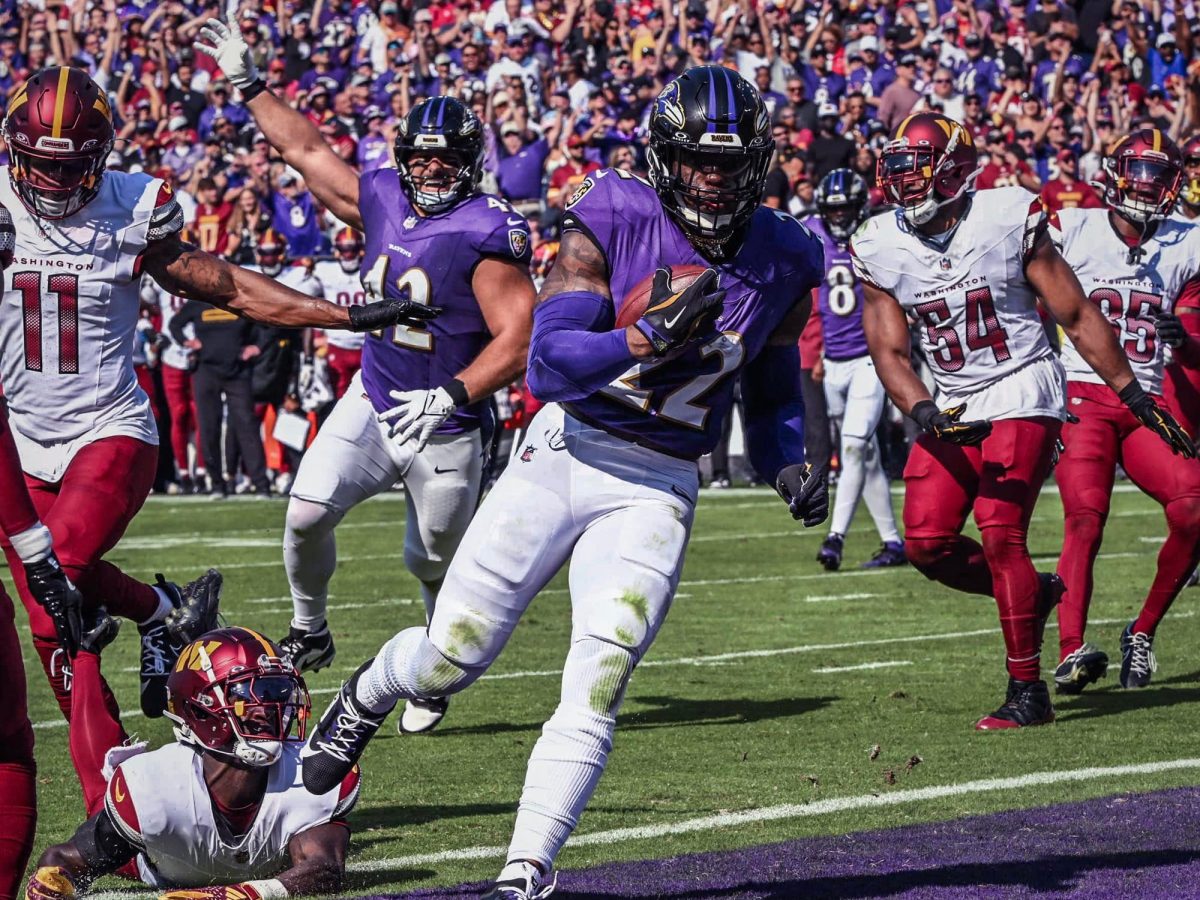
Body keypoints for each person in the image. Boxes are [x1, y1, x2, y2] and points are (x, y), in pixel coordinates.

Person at [300, 65, 828, 900]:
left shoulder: (788, 254)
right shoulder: (613, 212)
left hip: (657, 479)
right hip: (569, 447)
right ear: (664, 157)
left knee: (600, 674)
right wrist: (643, 340)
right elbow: (550, 359)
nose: (715, 181)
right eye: (698, 161)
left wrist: (786, 460)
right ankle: (363, 697)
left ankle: (524, 872)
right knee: (451, 658)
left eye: (731, 166)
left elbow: (766, 390)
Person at [0, 65, 437, 815]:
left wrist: (338, 317)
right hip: (16, 436)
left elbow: (228, 286)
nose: (54, 181)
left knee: (55, 593)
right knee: (57, 623)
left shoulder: (132, 206)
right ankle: (159, 620)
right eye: (41, 163)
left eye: (72, 167)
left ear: (100, 157)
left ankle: (106, 798)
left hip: (107, 428)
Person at [196, 18, 535, 737]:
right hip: (375, 397)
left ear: (469, 163)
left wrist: (453, 392)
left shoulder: (486, 228)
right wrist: (248, 83)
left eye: (446, 161)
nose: (433, 170)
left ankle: (433, 670)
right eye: (422, 157)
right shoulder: (381, 195)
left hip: (445, 420)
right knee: (306, 512)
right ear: (404, 158)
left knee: (433, 561)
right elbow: (304, 149)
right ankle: (310, 628)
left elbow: (519, 336)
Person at [853, 112, 1193, 731]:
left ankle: (1027, 690)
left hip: (1021, 385)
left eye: (918, 167)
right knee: (926, 543)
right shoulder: (879, 242)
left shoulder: (1006, 216)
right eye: (897, 168)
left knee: (1000, 529)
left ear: (953, 167)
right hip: (953, 398)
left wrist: (1135, 395)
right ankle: (1033, 595)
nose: (904, 181)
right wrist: (924, 410)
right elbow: (890, 353)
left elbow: (1077, 313)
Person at [23, 628, 359, 899]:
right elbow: (64, 860)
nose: (266, 709)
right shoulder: (155, 791)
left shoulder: (312, 773)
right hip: (154, 858)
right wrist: (52, 884)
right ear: (199, 709)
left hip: (205, 861)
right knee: (99, 784)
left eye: (277, 691)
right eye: (247, 694)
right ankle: (84, 650)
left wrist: (236, 895)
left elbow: (324, 869)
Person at [1051, 130, 1200, 692]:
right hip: (1083, 396)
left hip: (1149, 402)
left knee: (1194, 508)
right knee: (1085, 519)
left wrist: (1184, 339)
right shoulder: (1072, 227)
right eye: (1135, 172)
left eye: (1156, 176)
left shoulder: (1190, 239)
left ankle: (1141, 631)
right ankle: (1070, 649)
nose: (1142, 186)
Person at [805, 170, 905, 571]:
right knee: (866, 455)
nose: (841, 216)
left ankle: (835, 538)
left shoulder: (878, 233)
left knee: (851, 447)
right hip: (833, 362)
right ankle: (893, 543)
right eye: (834, 209)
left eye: (847, 208)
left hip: (870, 358)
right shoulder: (812, 234)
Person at [311, 227, 368, 399]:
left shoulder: (371, 271)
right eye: (344, 250)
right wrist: (317, 334)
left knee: (366, 397)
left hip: (366, 345)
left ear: (361, 251)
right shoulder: (324, 271)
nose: (348, 255)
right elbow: (311, 302)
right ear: (337, 251)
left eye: (353, 250)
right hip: (336, 344)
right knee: (337, 398)